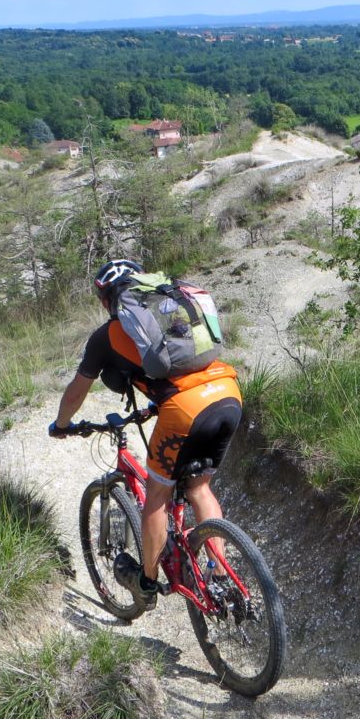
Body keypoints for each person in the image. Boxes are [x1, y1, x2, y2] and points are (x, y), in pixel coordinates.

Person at [49, 259, 242, 612]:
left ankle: (147, 583)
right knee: (199, 487)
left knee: (156, 497)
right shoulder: (171, 314)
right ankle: (220, 576)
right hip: (227, 393)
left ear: (106, 300)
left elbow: (77, 392)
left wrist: (61, 424)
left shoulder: (108, 335)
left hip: (185, 409)